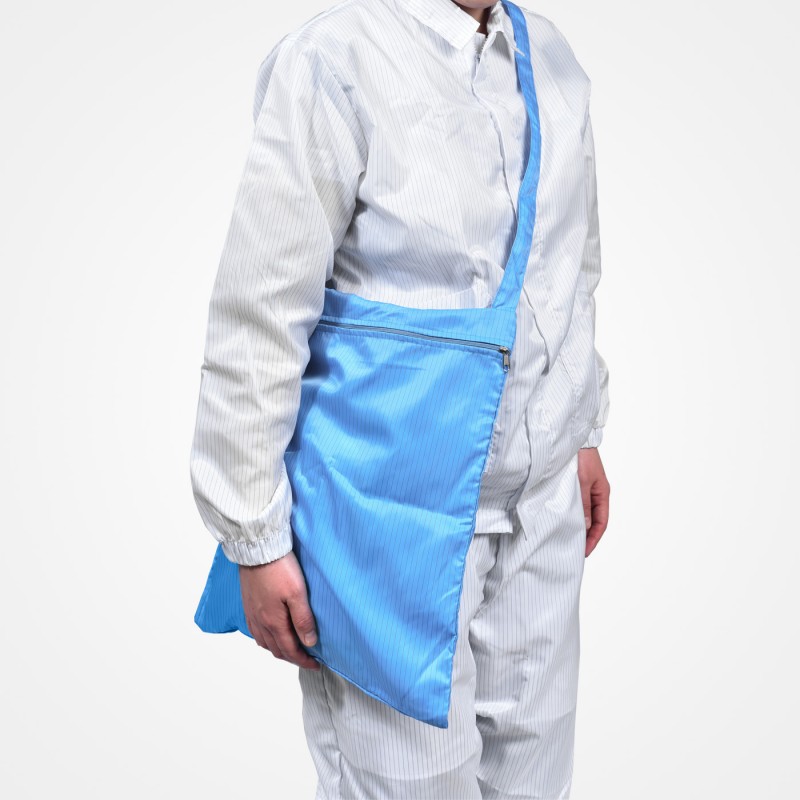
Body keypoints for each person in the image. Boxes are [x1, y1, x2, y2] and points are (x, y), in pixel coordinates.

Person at [189, 0, 611, 796]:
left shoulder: (550, 58)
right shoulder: (336, 59)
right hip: (383, 515)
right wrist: (255, 537)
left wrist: (581, 428)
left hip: (540, 503)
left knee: (535, 776)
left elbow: (571, 262)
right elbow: (263, 307)